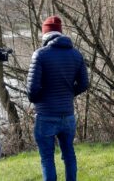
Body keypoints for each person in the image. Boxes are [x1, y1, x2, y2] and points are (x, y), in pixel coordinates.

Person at [27, 15, 89, 181]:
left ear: (45, 34)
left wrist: (42, 99)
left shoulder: (40, 55)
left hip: (46, 114)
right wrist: (68, 94)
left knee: (47, 158)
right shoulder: (76, 55)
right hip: (67, 114)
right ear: (60, 33)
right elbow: (84, 84)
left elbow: (32, 91)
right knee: (69, 154)